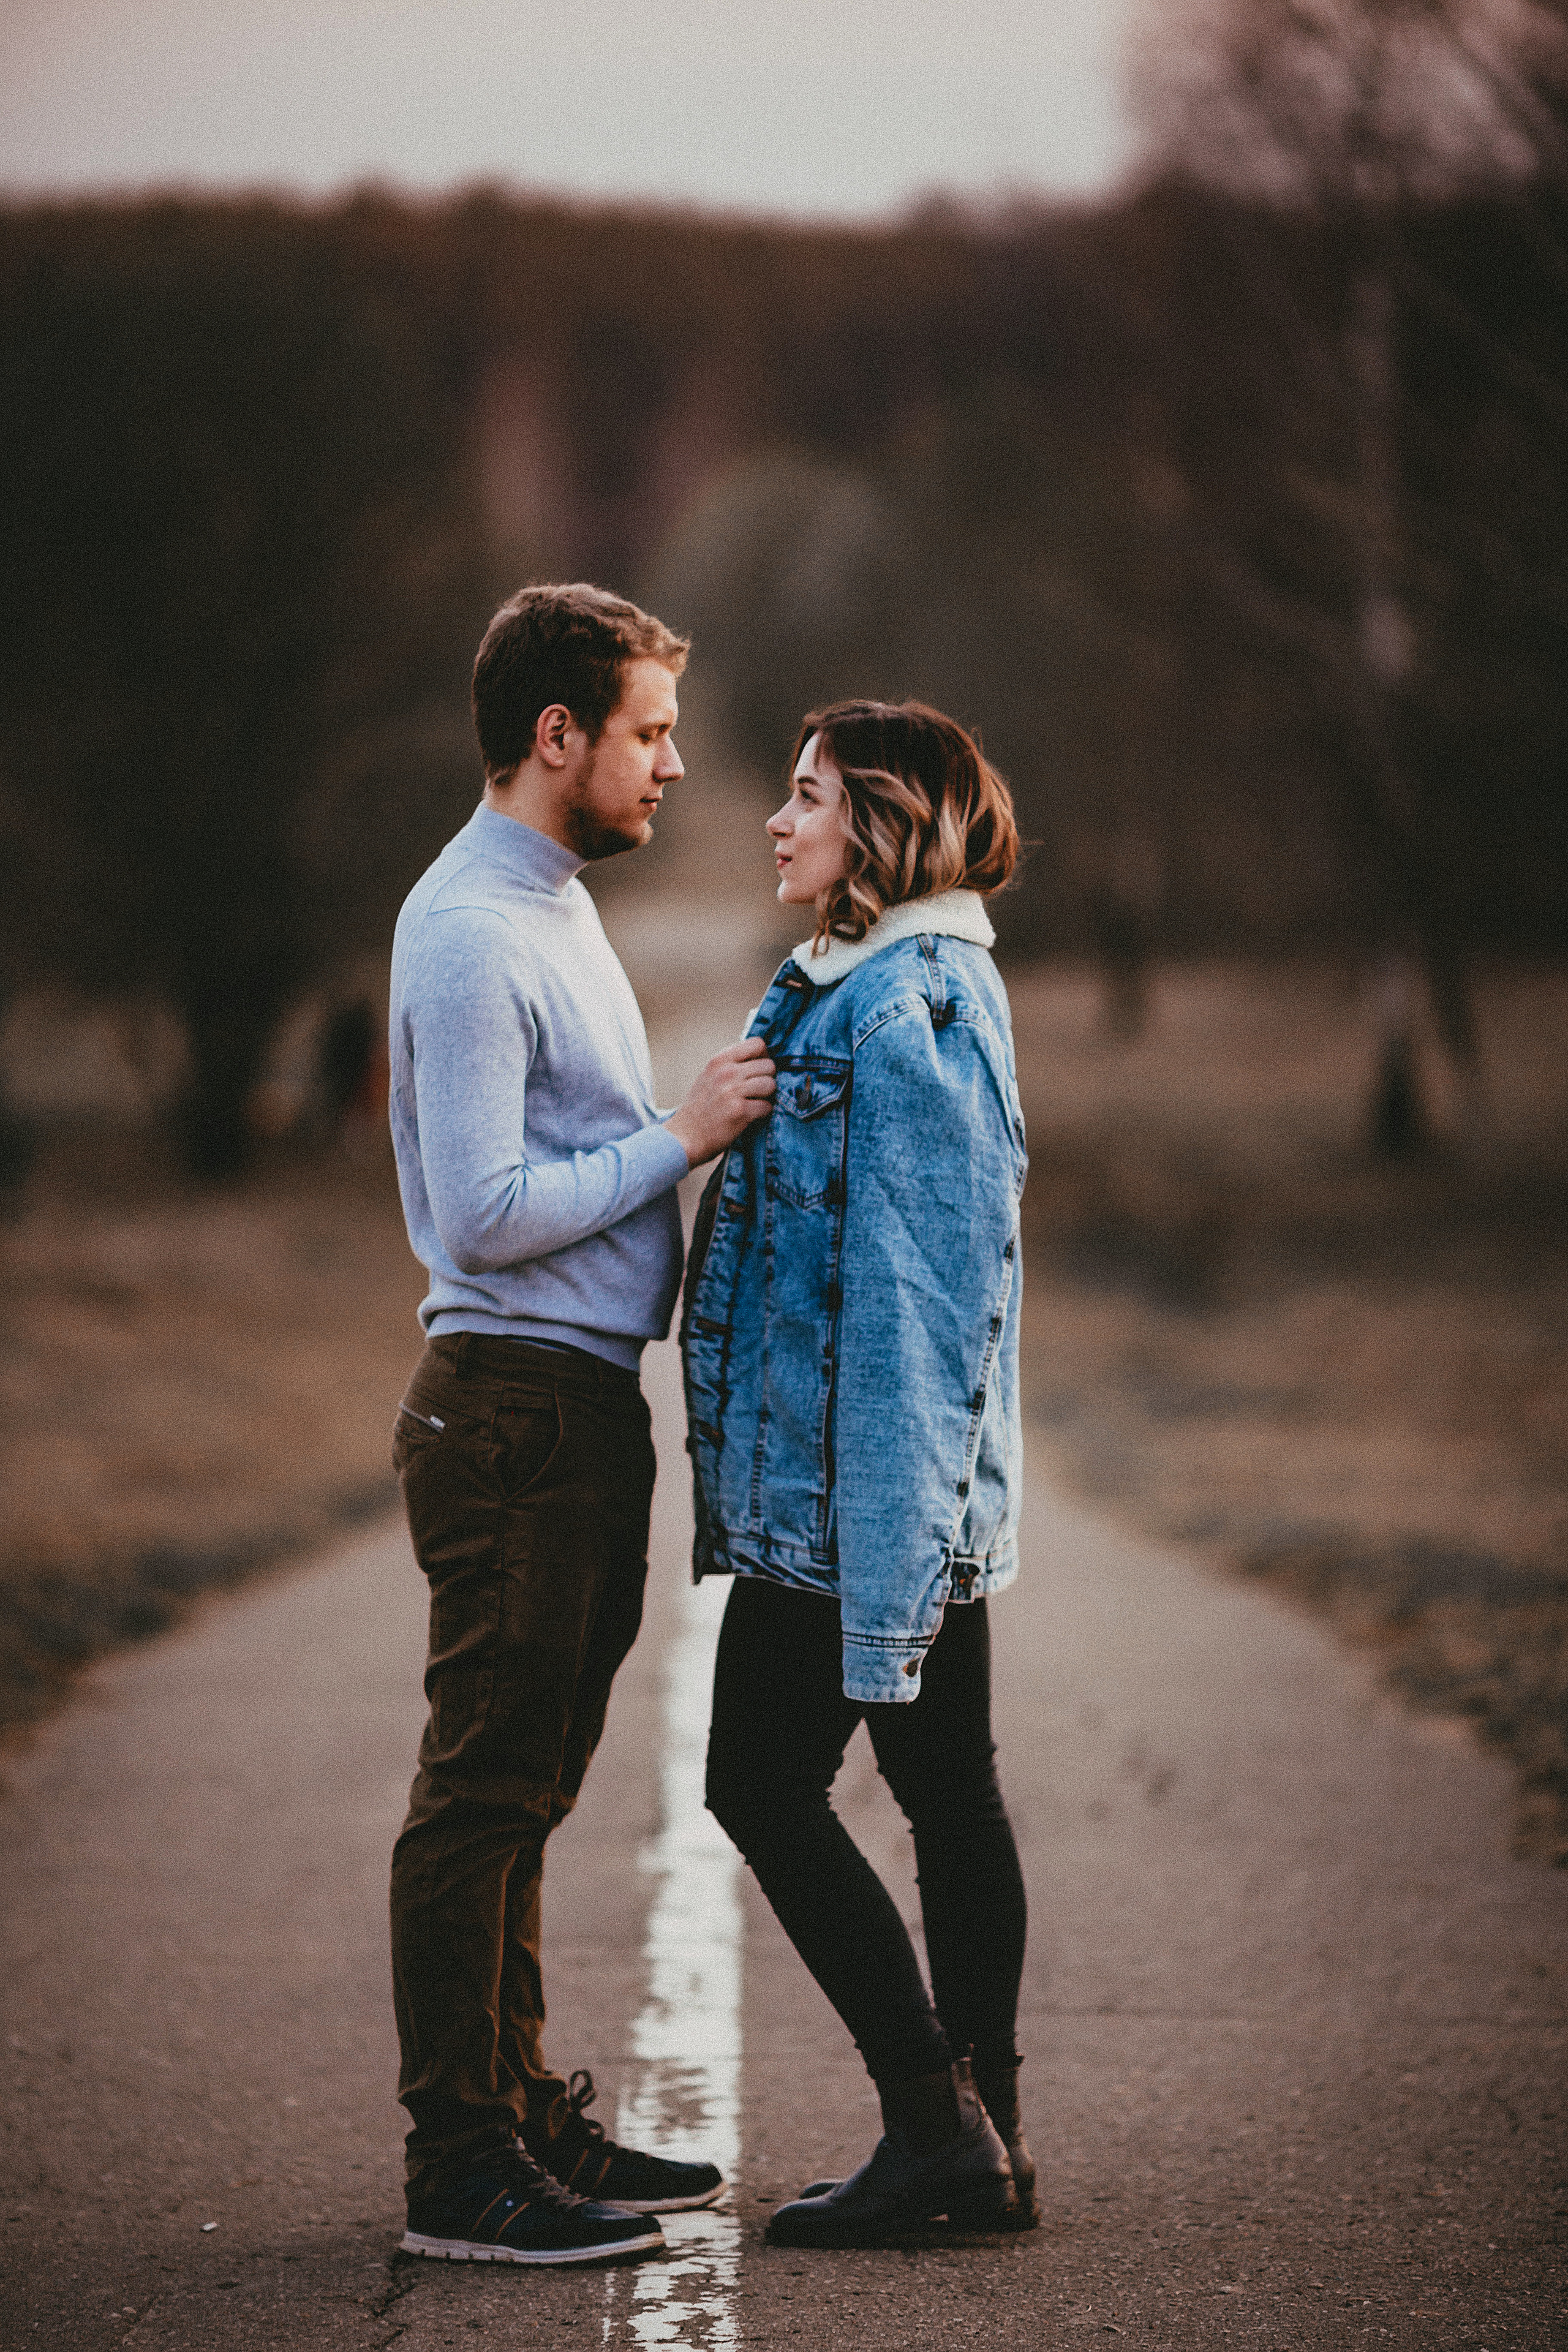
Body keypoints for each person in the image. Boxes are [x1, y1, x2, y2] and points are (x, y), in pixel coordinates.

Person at [386, 582, 775, 2267]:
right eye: (648, 732)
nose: (672, 764)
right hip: (515, 1416)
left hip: (572, 1412)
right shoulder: (477, 924)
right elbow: (478, 1210)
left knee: (531, 1788)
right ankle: (461, 2168)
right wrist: (680, 1138)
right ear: (559, 737)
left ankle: (523, 2109)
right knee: (484, 1790)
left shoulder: (545, 901)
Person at [684, 699, 1034, 2249]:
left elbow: (911, 1306)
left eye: (807, 794)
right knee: (944, 1794)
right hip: (858, 1492)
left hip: (854, 1505)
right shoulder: (852, 981)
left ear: (881, 823)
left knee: (753, 1783)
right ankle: (983, 2141)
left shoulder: (911, 1012)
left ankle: (933, 2125)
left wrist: (885, 1576)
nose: (776, 817)